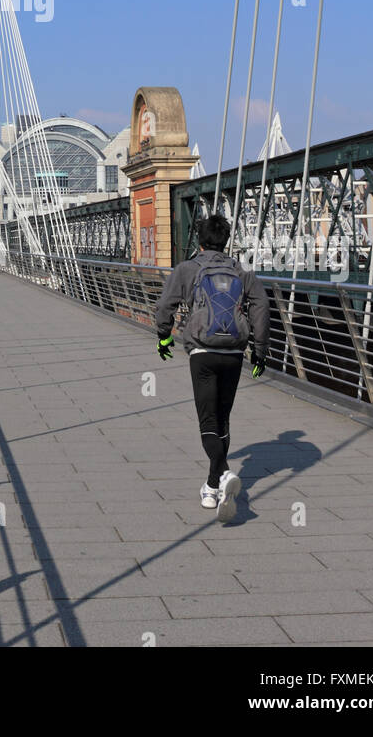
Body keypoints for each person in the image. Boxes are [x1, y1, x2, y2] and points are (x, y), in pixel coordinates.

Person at [153, 214, 269, 523]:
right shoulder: (242, 271)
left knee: (207, 420)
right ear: (226, 240)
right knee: (222, 418)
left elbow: (166, 306)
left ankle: (224, 471)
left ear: (200, 241)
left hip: (202, 352)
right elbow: (261, 307)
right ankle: (212, 485)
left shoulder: (188, 269)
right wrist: (260, 351)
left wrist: (164, 336)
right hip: (233, 352)